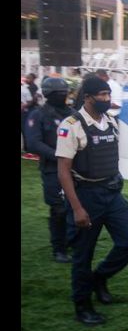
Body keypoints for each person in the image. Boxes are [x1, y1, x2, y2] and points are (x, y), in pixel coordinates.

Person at [55, 76, 128, 325]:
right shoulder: (71, 125)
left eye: (108, 94)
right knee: (83, 254)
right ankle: (83, 306)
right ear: (88, 97)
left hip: (111, 194)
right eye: (102, 95)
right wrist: (77, 208)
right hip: (86, 196)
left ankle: (99, 278)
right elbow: (63, 170)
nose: (107, 99)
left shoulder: (112, 122)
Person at [25, 77, 75, 263]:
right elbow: (33, 143)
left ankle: (71, 240)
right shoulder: (38, 115)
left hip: (76, 169)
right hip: (53, 170)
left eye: (64, 93)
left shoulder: (72, 113)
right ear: (48, 95)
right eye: (58, 94)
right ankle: (59, 248)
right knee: (59, 209)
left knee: (75, 207)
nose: (62, 96)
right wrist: (60, 155)